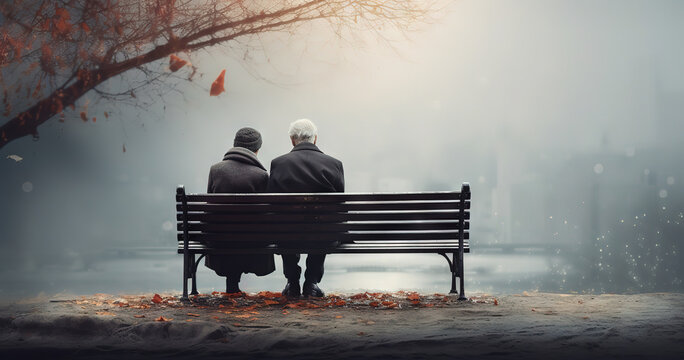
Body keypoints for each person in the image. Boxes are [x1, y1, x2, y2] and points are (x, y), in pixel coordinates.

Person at [268, 119, 344, 297]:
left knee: (284, 226)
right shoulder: (334, 164)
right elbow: (339, 206)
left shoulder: (278, 164)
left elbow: (272, 203)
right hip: (323, 235)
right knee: (324, 226)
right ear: (315, 139)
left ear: (292, 140)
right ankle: (311, 283)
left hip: (287, 235)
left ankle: (292, 282)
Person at [206, 127, 275, 293]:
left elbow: (210, 208)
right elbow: (265, 213)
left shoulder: (216, 170)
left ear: (235, 144)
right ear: (257, 149)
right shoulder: (261, 175)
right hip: (252, 240)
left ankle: (232, 284)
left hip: (220, 238)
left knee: (229, 228)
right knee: (249, 230)